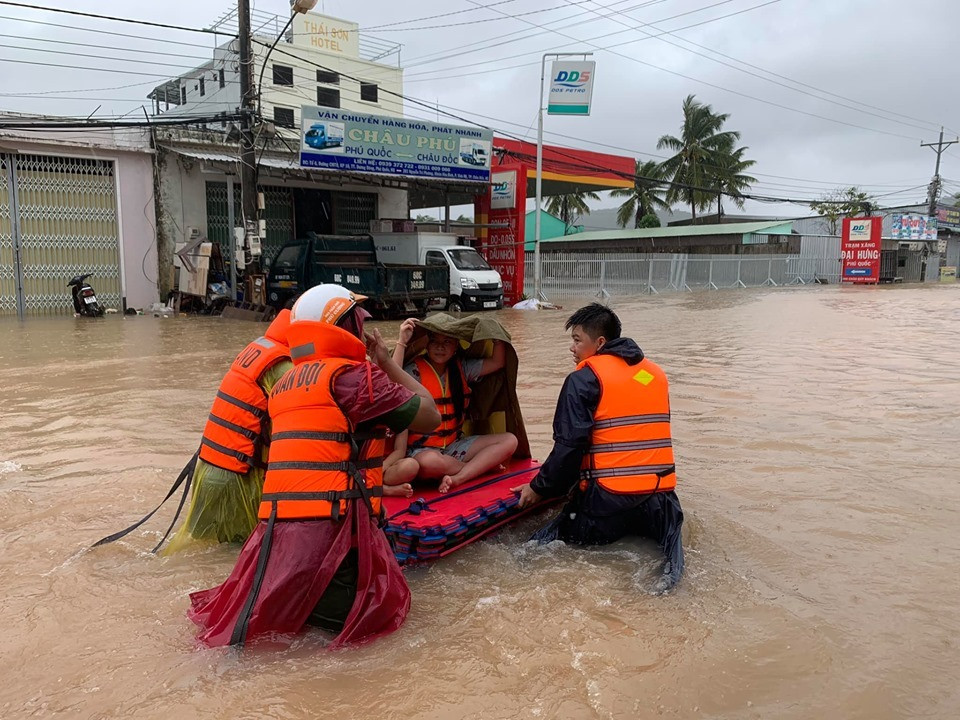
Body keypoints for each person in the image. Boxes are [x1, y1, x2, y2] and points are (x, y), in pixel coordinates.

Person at [188, 285, 441, 648]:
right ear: (344, 327)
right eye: (358, 321)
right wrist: (385, 361)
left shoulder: (286, 383)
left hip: (276, 546)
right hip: (333, 545)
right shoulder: (355, 380)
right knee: (380, 623)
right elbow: (429, 415)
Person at [512, 303, 685, 591]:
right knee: (666, 574)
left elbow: (569, 448)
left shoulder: (583, 379)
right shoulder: (654, 374)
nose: (572, 348)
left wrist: (539, 488)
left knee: (526, 551)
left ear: (600, 342)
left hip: (607, 504)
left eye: (577, 340)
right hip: (661, 504)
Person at [161, 310, 294, 554]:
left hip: (209, 471)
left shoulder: (259, 349)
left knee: (198, 554)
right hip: (236, 482)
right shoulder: (284, 367)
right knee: (237, 557)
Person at [393, 317, 518, 493]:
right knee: (430, 463)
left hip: (454, 445)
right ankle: (479, 467)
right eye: (434, 341)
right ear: (426, 344)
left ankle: (459, 477)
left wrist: (495, 334)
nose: (440, 347)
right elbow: (392, 379)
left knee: (510, 440)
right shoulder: (414, 370)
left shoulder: (462, 368)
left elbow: (497, 362)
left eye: (447, 342)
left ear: (456, 346)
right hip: (422, 450)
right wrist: (401, 341)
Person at [382, 430, 417, 498]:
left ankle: (377, 488)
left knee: (411, 465)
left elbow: (400, 451)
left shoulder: (401, 424)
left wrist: (380, 469)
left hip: (386, 468)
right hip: (365, 468)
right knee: (360, 476)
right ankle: (387, 490)